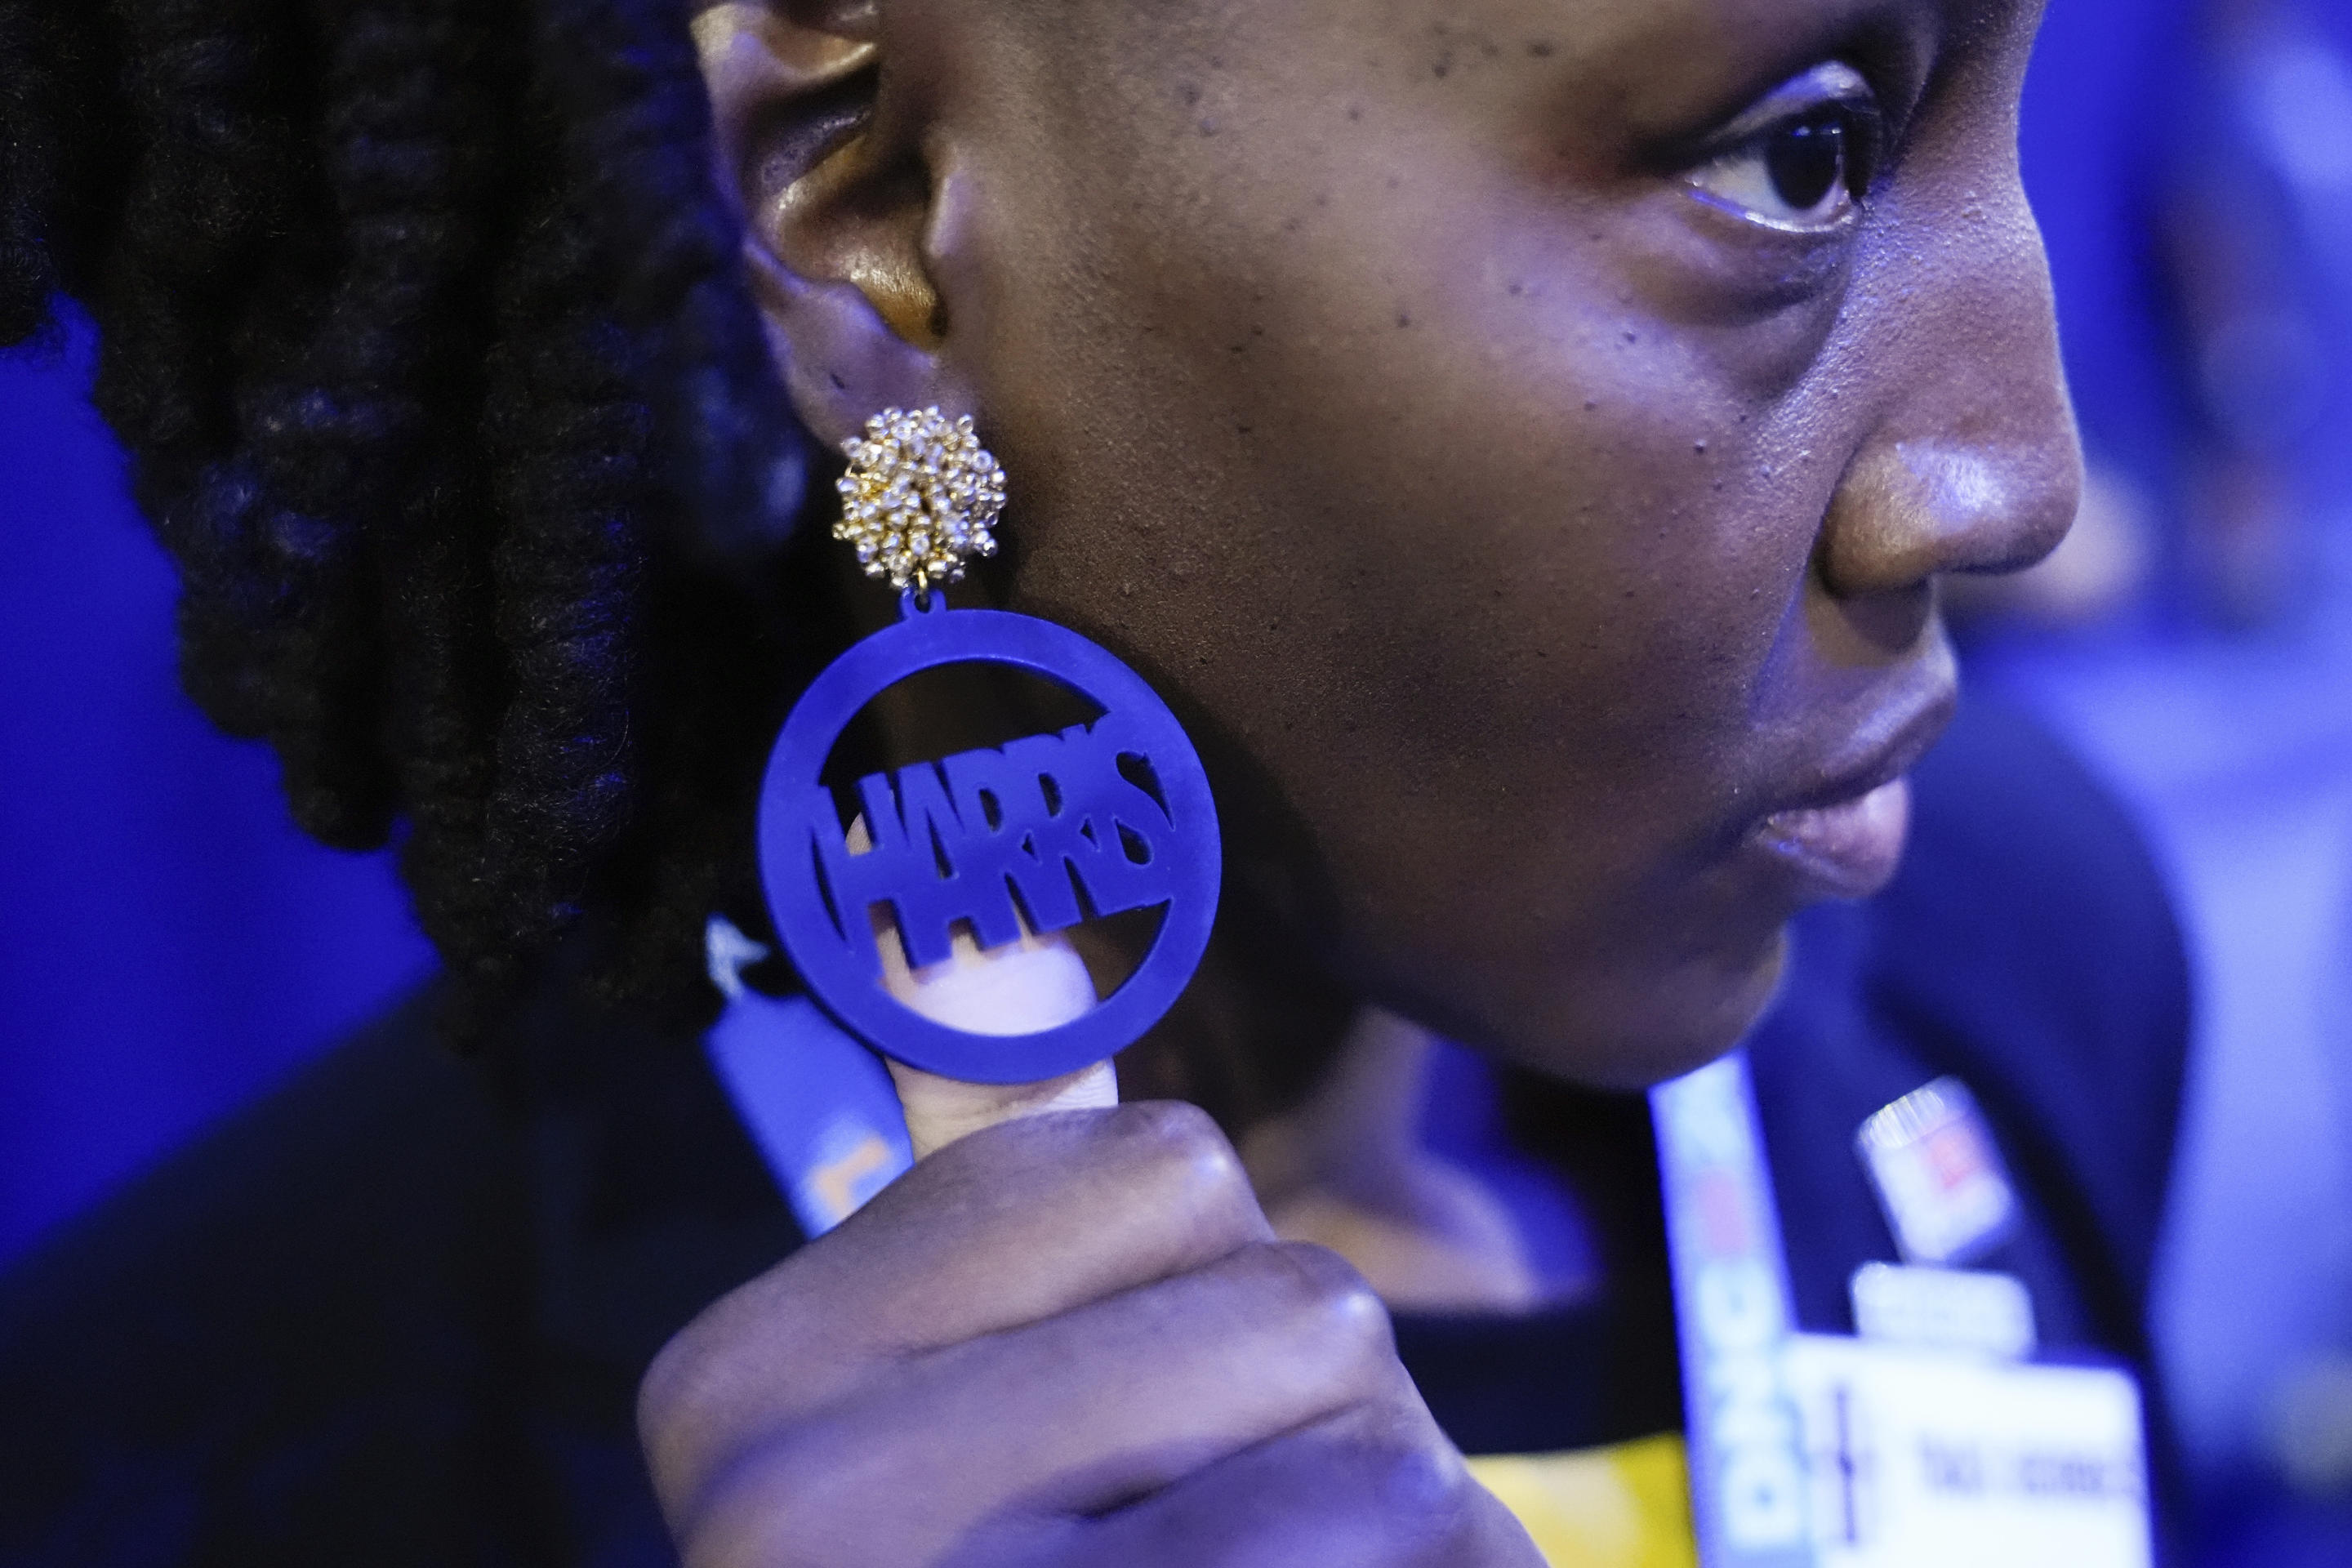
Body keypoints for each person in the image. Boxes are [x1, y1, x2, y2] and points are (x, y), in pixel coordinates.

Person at [0, 0, 2189, 1563]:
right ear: (876, 210)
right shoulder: (193, 1450)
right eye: (1798, 152)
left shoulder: (2024, 956)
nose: (2023, 480)